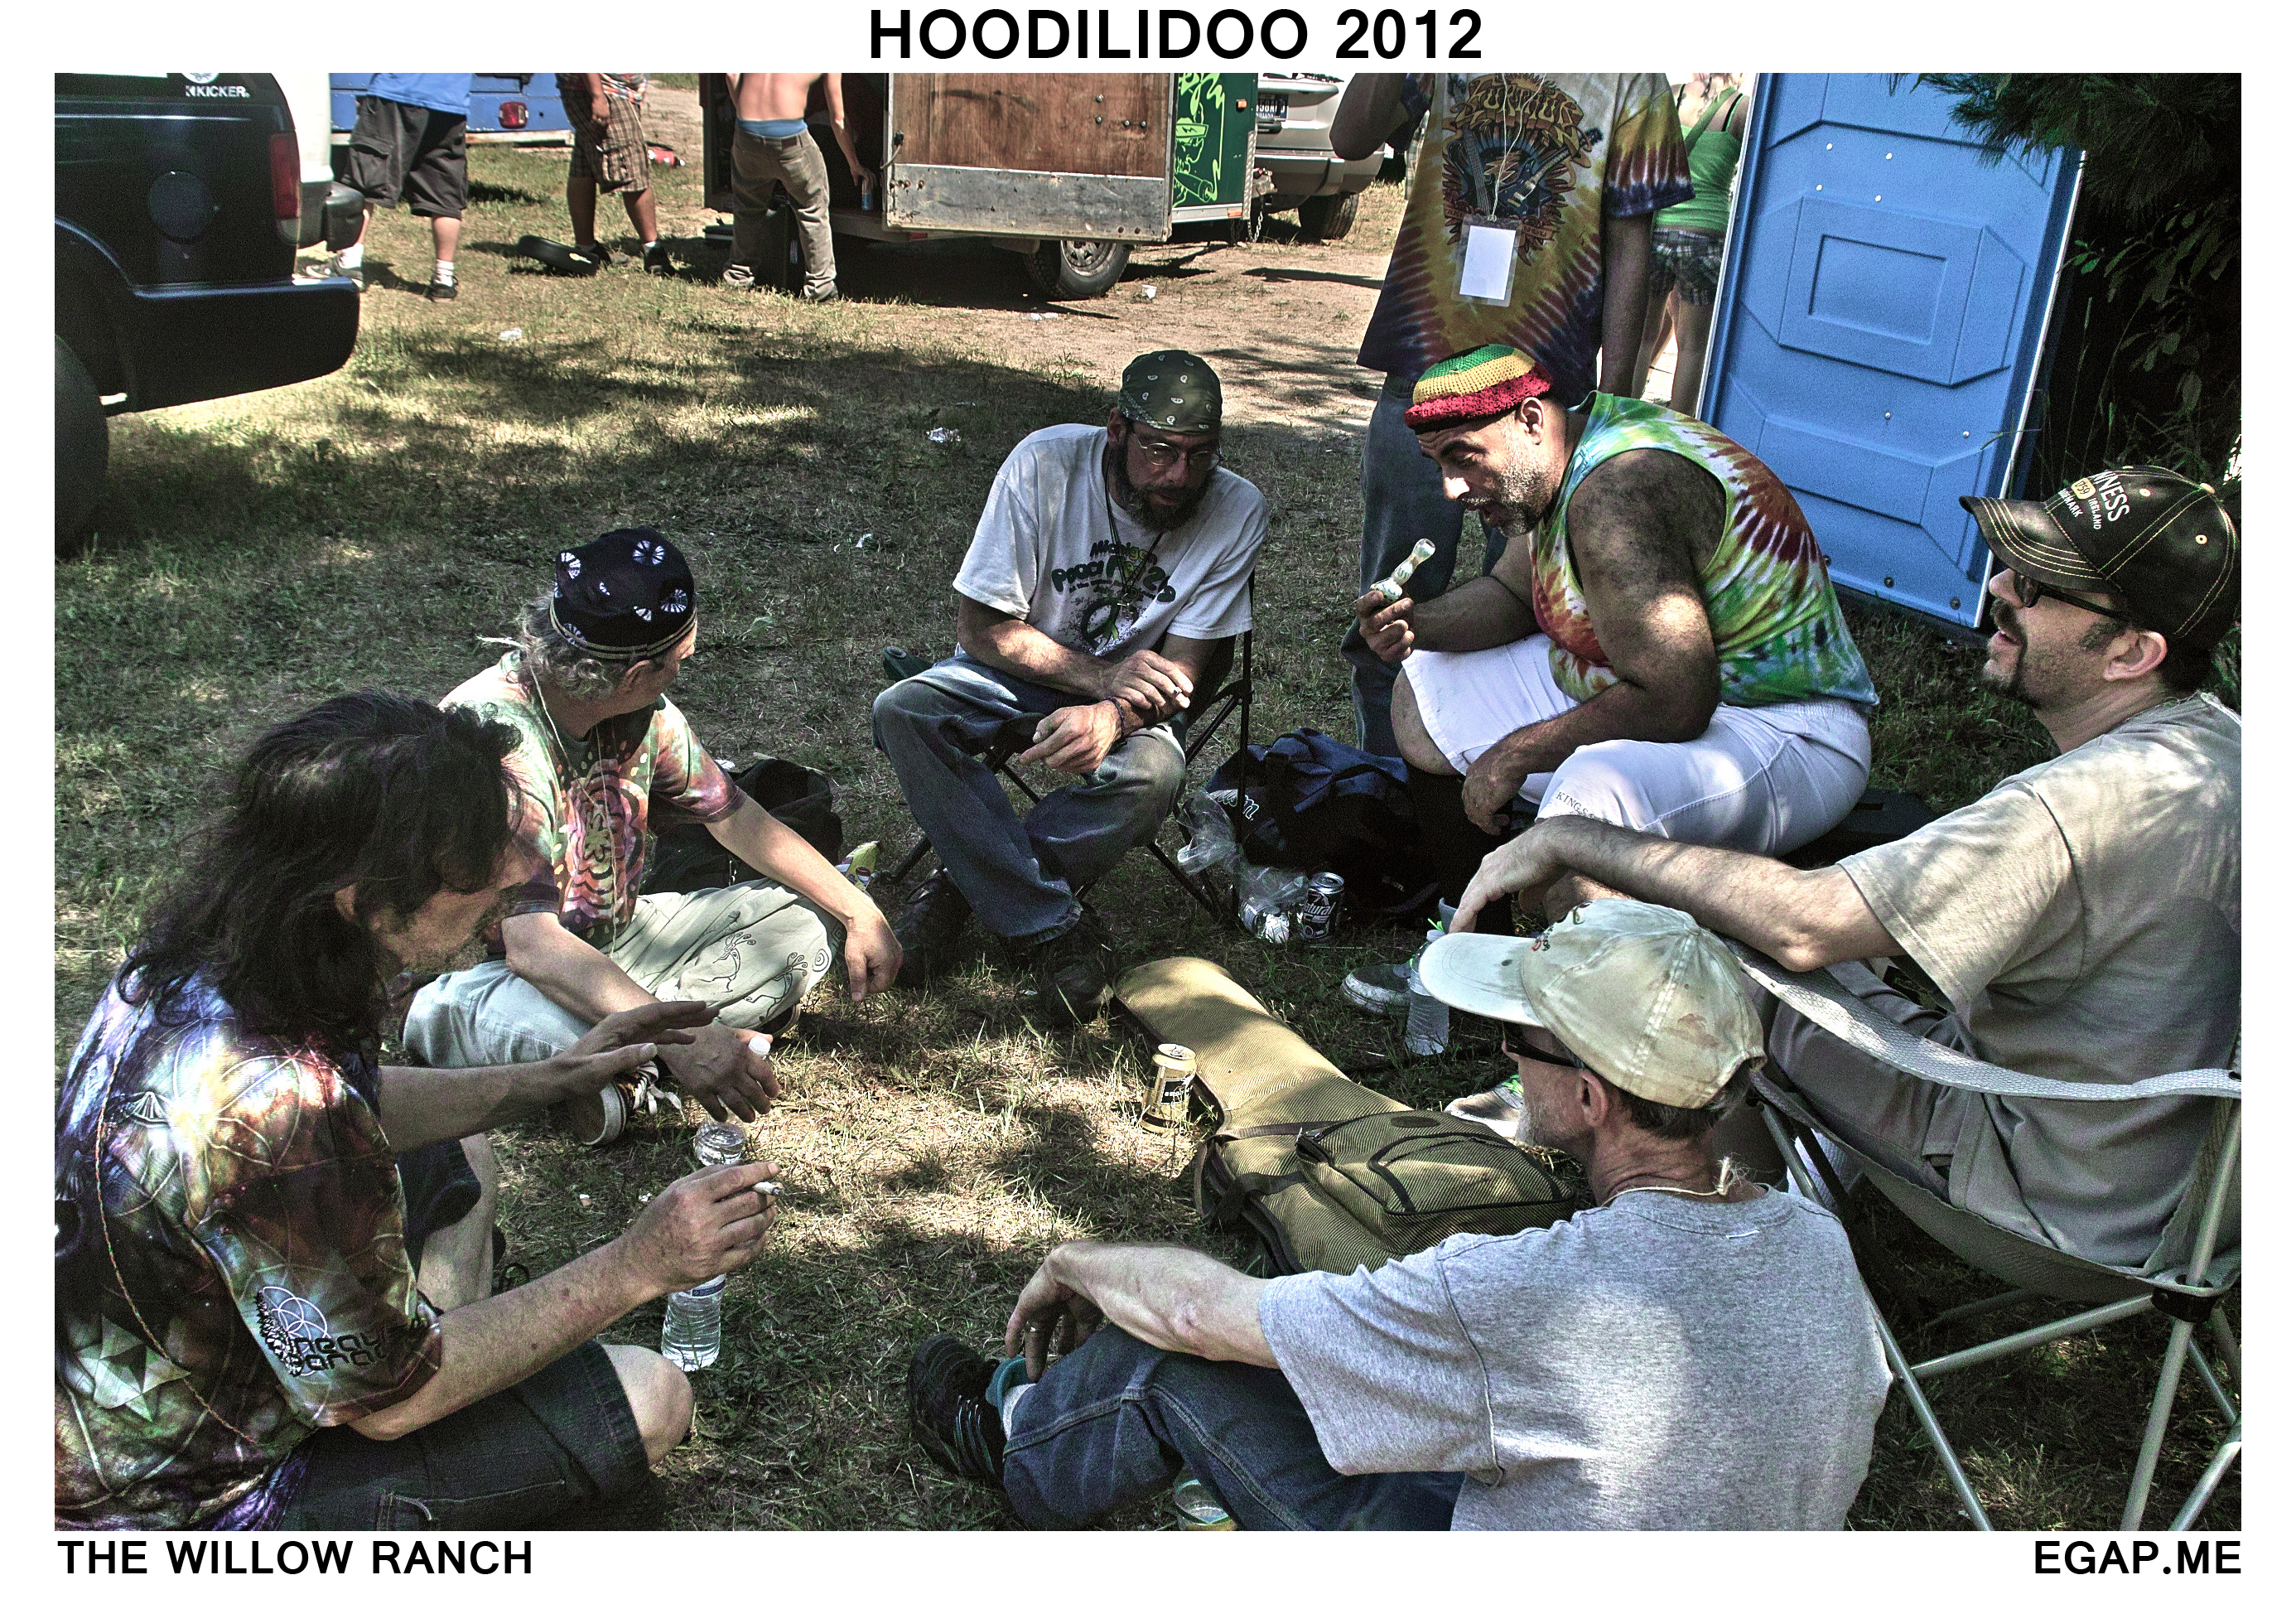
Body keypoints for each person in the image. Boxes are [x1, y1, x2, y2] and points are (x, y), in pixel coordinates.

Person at [1452, 466, 2241, 1271]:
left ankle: (1710, 1255)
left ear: (2133, 652)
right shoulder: (2227, 752)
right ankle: (1778, 1190)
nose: (2001, 588)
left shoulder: (2068, 809)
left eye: (2037, 587)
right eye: (2013, 566)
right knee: (1819, 939)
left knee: (1698, 957)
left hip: (2039, 1191)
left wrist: (1575, 838)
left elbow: (1806, 927)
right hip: (2190, 1194)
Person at [904, 898, 1888, 1529]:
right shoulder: (1816, 1241)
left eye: (1523, 1036)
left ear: (1593, 1099)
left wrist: (1077, 1260)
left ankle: (1017, 1433)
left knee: (1166, 1357)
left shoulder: (1529, 1290)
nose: (1505, 1052)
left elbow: (1204, 1317)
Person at [55, 691, 784, 1529]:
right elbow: (391, 1403)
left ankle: (448, 1351)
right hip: (194, 1506)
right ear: (365, 898)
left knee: (460, 1152)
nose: (513, 878)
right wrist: (641, 1262)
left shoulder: (197, 966)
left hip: (126, 1396)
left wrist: (552, 1076)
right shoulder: (282, 1111)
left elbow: (354, 1105)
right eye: (474, 869)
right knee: (652, 1395)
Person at [1342, 344, 1877, 1128]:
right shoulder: (1549, 464)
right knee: (1425, 690)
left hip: (1784, 725)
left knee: (1585, 807)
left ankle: (1582, 1062)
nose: (1451, 490)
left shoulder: (1614, 493)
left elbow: (1676, 698)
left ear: (1530, 420)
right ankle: (1474, 961)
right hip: (1647, 683)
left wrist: (1520, 750)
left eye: (1463, 458)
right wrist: (1417, 624)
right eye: (1438, 464)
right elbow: (1511, 596)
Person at [403, 529, 902, 1142]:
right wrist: (683, 1032)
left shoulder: (642, 714)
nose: (681, 672)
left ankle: (637, 1055)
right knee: (554, 1027)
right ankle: (609, 1056)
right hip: (500, 974)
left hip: (617, 940)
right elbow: (531, 947)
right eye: (679, 660)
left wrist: (857, 908)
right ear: (638, 672)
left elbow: (734, 817)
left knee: (808, 920)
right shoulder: (498, 745)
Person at [872, 351, 1266, 1024]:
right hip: (1019, 669)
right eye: (1160, 451)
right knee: (903, 710)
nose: (1180, 476)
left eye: (1200, 455)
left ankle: (963, 886)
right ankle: (1051, 923)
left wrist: (1113, 714)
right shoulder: (1044, 464)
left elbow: (1187, 668)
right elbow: (981, 629)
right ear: (1117, 428)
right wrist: (1101, 677)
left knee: (1153, 777)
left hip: (1137, 702)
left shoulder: (1237, 507)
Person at [1329, 74, 1693, 757]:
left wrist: (1613, 401)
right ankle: (1377, 781)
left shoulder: (1630, 69)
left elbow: (1631, 240)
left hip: (1542, 400)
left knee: (1536, 614)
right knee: (1389, 612)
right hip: (1424, 371)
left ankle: (1504, 783)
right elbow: (1349, 138)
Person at [303, 75, 472, 302]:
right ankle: (444, 279)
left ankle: (348, 263)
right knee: (444, 191)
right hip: (451, 100)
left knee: (366, 180)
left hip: (398, 89)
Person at [1636, 78, 1749, 414]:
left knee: (1641, 339)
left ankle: (1620, 421)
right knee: (1693, 348)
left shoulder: (1673, 96)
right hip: (1706, 237)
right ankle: (1678, 430)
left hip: (1657, 231)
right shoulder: (1740, 109)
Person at [721, 73, 872, 302]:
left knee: (748, 206)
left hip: (747, 134)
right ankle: (820, 286)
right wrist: (854, 164)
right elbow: (838, 118)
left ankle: (738, 275)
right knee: (812, 208)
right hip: (790, 138)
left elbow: (731, 73)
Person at [555, 73, 673, 276]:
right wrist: (598, 96)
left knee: (584, 166)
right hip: (606, 90)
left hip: (590, 88)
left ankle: (586, 249)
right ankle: (653, 252)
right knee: (632, 169)